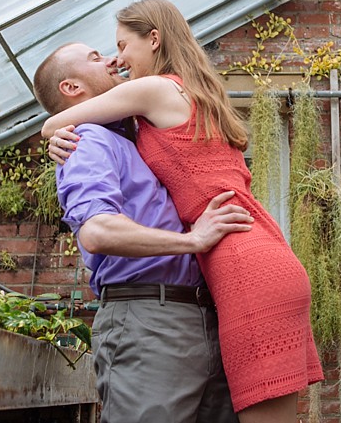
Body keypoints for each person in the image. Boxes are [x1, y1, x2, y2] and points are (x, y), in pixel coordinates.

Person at [42, 0, 324, 423]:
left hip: (242, 263)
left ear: (153, 39)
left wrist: (53, 131)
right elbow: (98, 221)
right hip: (251, 256)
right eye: (102, 55)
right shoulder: (169, 105)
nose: (116, 60)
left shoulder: (154, 91)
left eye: (120, 47)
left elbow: (51, 123)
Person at [33, 42, 254, 423]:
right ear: (71, 88)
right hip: (148, 319)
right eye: (96, 58)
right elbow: (97, 231)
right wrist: (192, 241)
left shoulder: (136, 137)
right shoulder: (87, 141)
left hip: (198, 316)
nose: (111, 60)